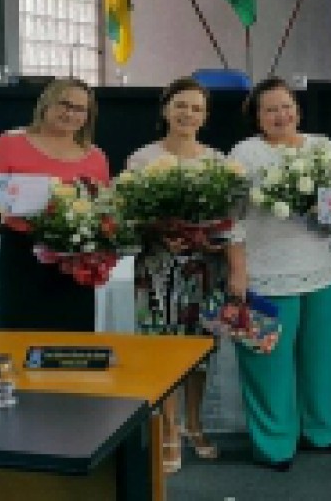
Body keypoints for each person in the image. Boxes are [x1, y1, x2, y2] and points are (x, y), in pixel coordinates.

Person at [225, 77, 331, 471]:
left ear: (298, 109)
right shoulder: (244, 154)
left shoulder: (323, 148)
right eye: (271, 109)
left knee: (320, 361)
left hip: (322, 272)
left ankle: (321, 431)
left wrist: (330, 216)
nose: (281, 114)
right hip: (265, 276)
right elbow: (233, 219)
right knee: (268, 363)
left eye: (287, 106)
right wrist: (237, 272)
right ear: (258, 118)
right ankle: (275, 444)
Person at [125, 77, 223, 473]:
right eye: (181, 105)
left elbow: (227, 221)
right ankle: (169, 430)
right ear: (165, 110)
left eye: (197, 108)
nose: (188, 114)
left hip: (201, 269)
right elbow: (128, 214)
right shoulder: (142, 159)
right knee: (163, 353)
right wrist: (161, 231)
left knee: (197, 353)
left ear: (205, 117)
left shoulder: (216, 161)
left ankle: (195, 424)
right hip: (156, 268)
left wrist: (207, 239)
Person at [0, 77, 109, 331]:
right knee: (20, 334)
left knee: (73, 338)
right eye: (64, 104)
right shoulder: (10, 143)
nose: (70, 113)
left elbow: (103, 210)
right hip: (20, 257)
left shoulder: (96, 156)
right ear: (46, 105)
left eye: (79, 109)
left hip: (75, 263)